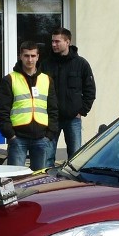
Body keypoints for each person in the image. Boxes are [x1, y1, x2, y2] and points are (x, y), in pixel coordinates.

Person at [0, 41, 58, 171]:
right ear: (20, 56)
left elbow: (53, 109)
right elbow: (1, 110)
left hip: (42, 137)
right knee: (16, 180)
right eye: (26, 56)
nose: (30, 59)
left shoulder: (47, 80)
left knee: (39, 180)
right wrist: (10, 135)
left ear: (38, 57)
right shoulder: (10, 79)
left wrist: (50, 134)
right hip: (18, 138)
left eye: (33, 56)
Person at [41, 27, 96, 166]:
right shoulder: (46, 64)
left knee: (75, 157)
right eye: (52, 41)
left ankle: (72, 186)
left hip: (73, 118)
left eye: (57, 41)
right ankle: (48, 184)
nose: (53, 44)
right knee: (47, 157)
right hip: (51, 118)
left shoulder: (81, 64)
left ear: (68, 42)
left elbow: (90, 90)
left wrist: (82, 111)